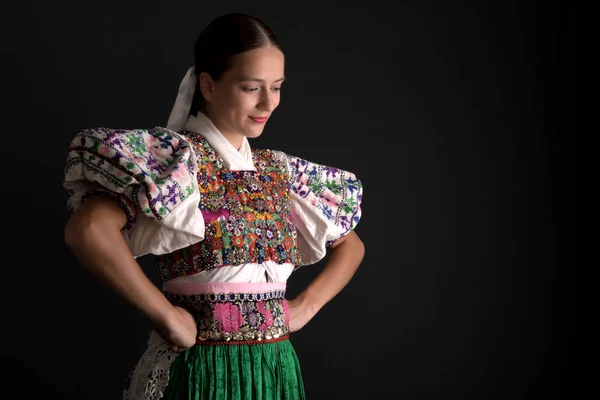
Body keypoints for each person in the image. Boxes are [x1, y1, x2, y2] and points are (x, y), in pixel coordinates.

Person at [63, 12, 364, 400]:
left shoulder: (279, 172)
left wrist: (305, 306)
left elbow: (351, 245)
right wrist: (166, 316)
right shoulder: (178, 164)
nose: (268, 102)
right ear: (207, 84)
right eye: (251, 87)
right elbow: (87, 230)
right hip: (201, 370)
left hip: (275, 368)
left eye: (277, 86)